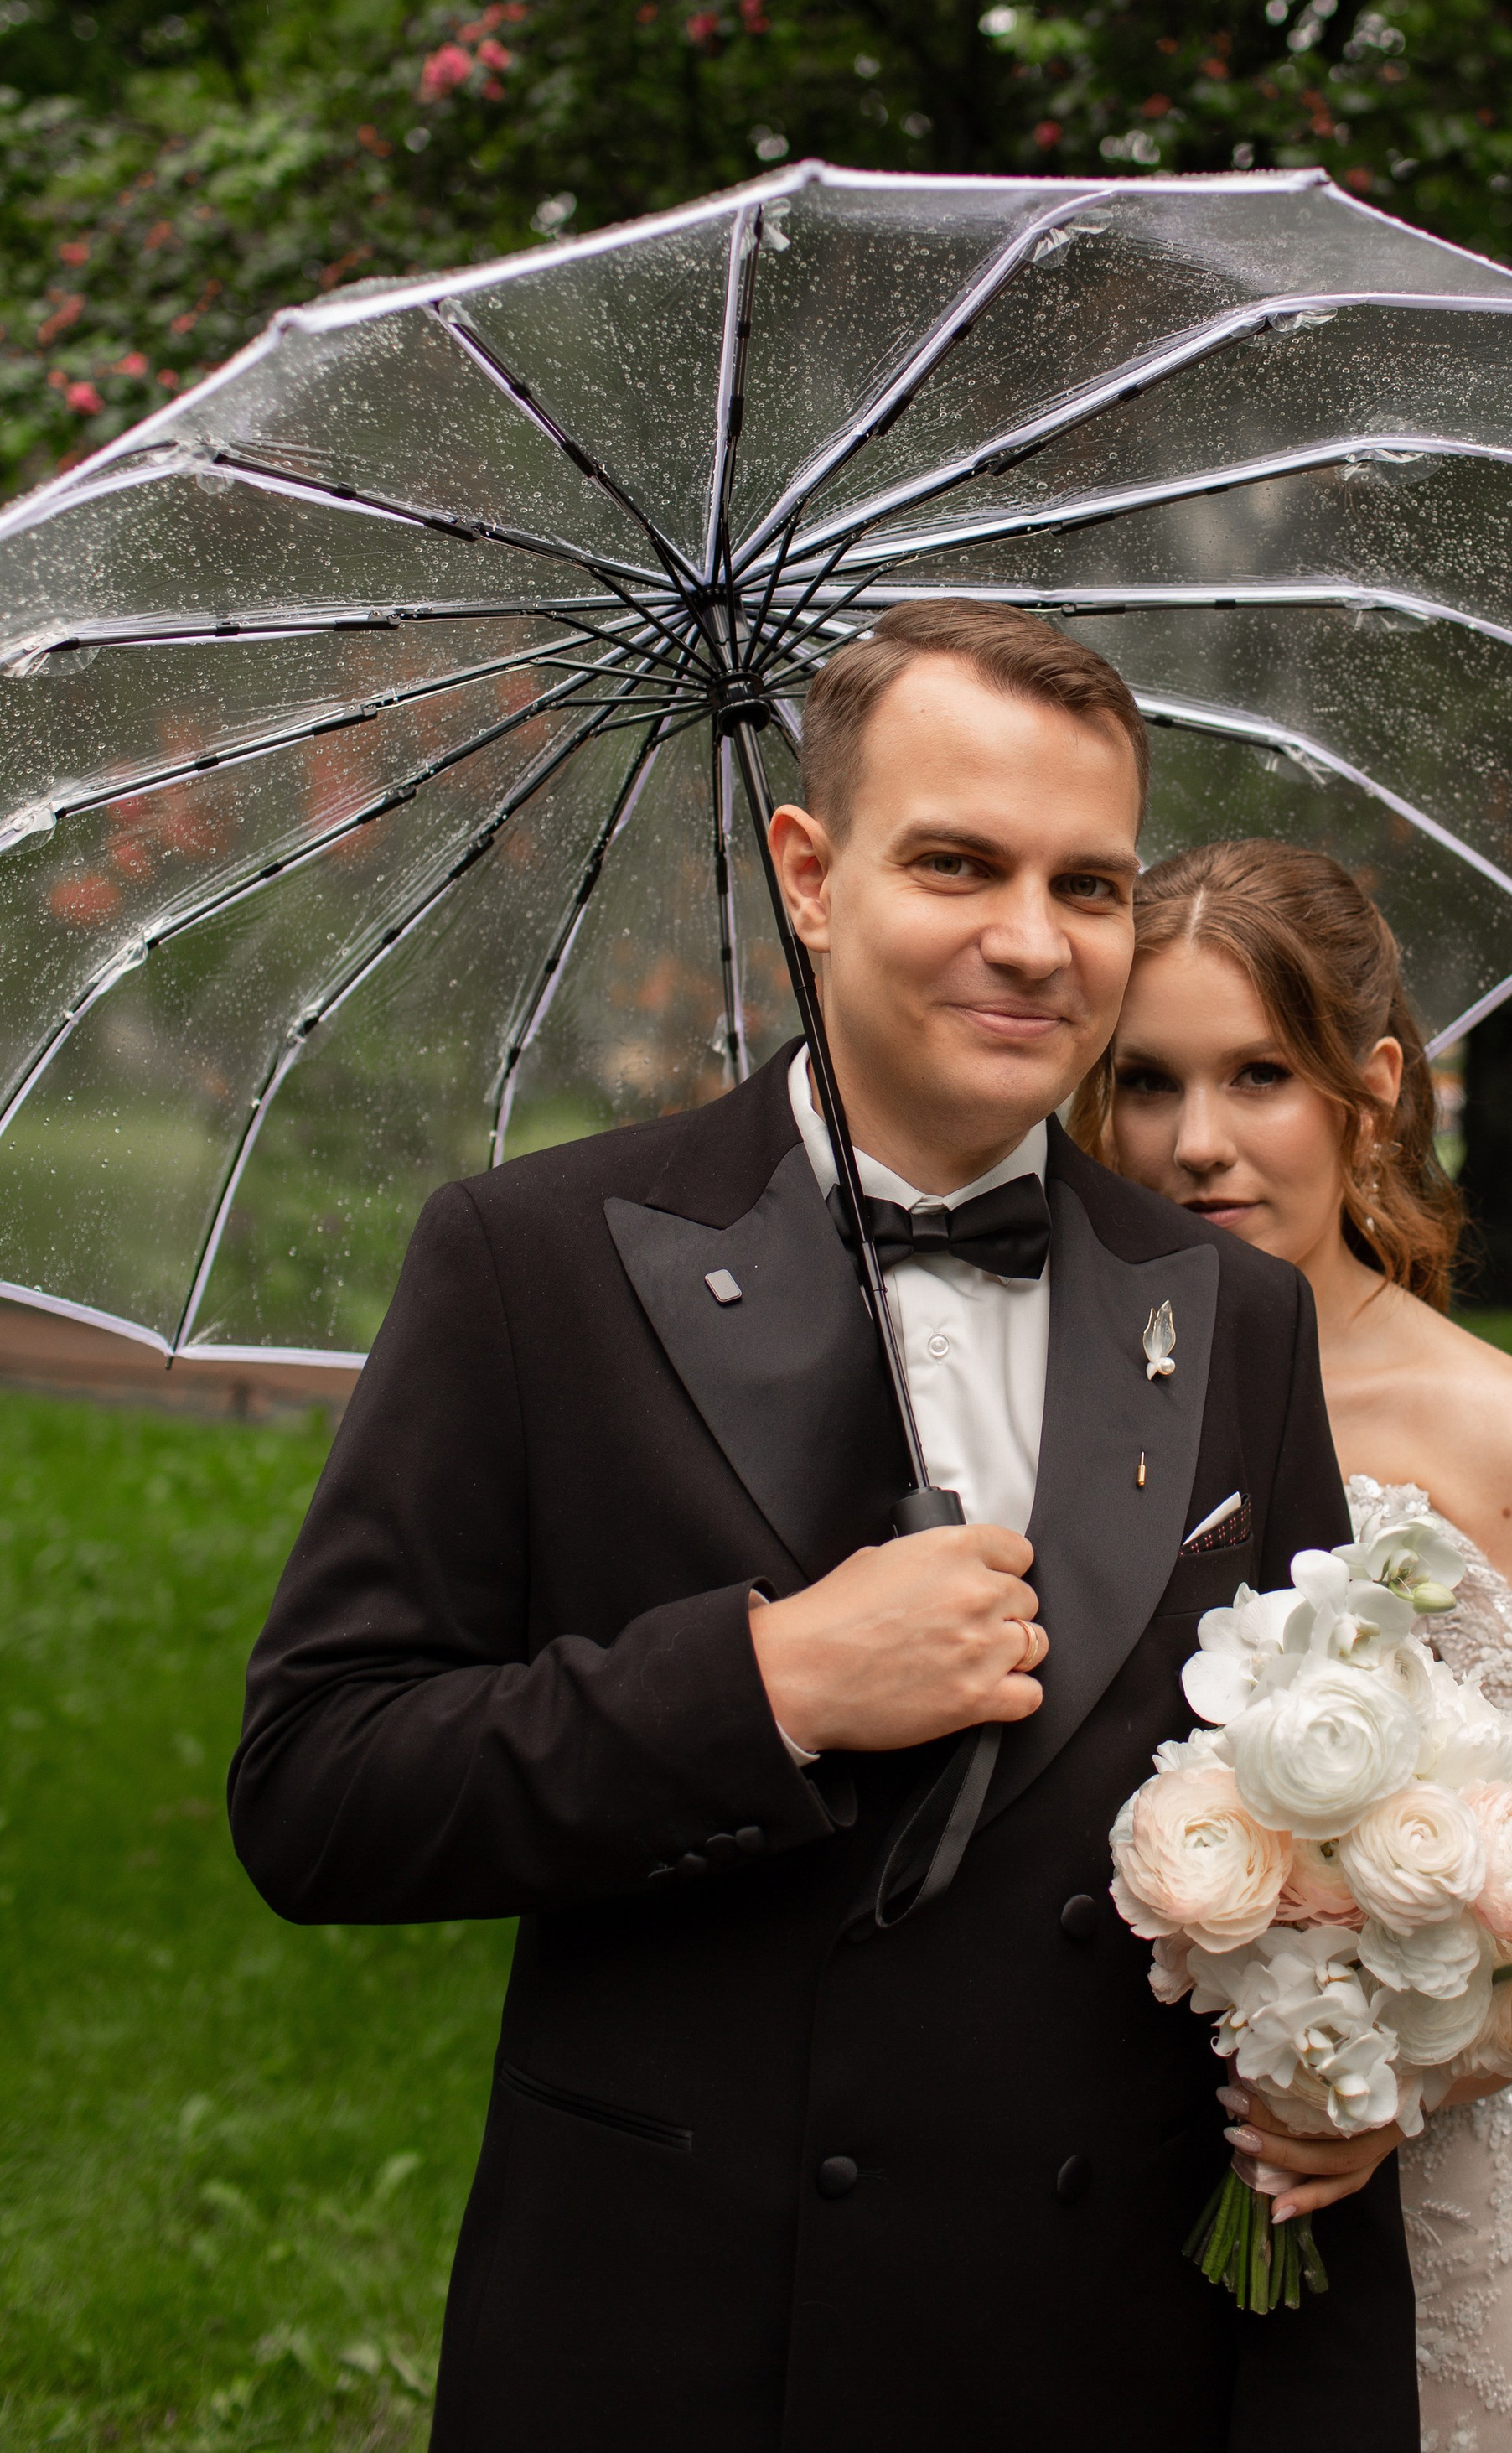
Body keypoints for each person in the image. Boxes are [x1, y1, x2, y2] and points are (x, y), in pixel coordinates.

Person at [228, 603, 1417, 2453]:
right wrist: (763, 1681)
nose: (1033, 943)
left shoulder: (1228, 1310)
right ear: (809, 871)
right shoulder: (531, 1260)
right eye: (957, 863)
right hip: (695, 2341)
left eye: (1088, 886)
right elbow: (316, 1785)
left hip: (1103, 2353)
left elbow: (1325, 1823)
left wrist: (1346, 2073)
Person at [1078, 838, 1512, 2453]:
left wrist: (1388, 2084)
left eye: (1260, 1075)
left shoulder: (1500, 1434)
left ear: (1369, 1090)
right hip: (1083, 2175)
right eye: (1145, 1082)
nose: (1197, 1143)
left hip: (1396, 2196)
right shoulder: (1060, 1400)